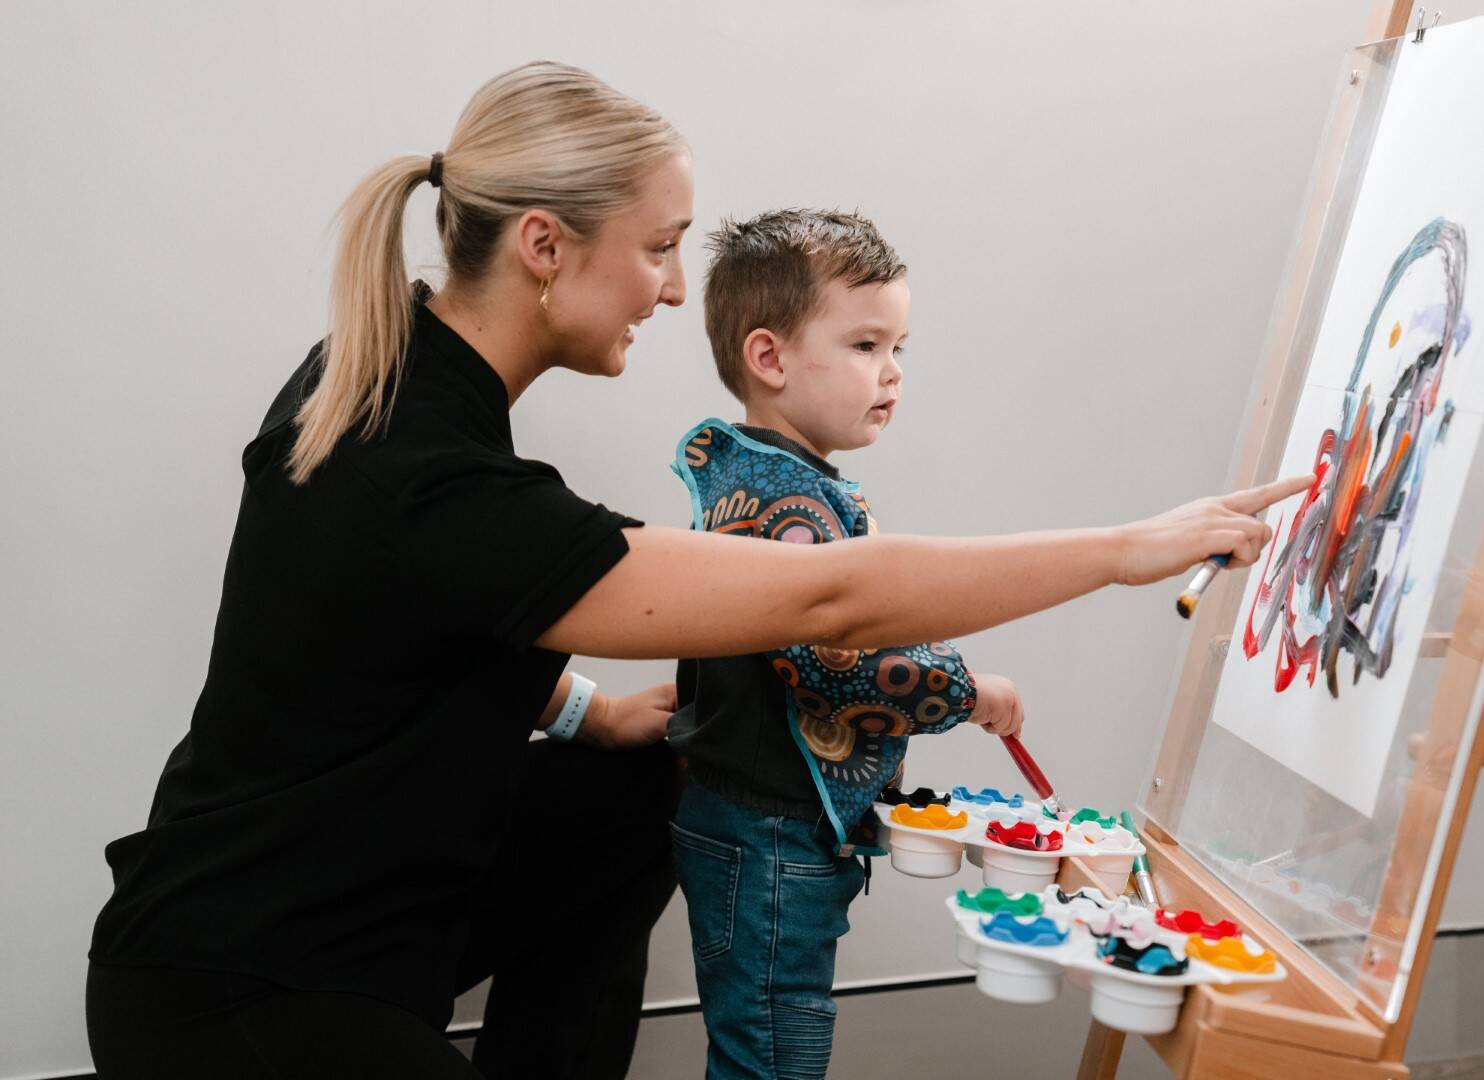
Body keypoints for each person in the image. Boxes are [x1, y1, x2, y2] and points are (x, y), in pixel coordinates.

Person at [84, 60, 1306, 1080]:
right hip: (237, 985)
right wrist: (1125, 551)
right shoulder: (432, 480)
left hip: (359, 922)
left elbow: (389, 634)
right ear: (547, 246)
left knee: (635, 788)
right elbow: (832, 594)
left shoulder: (383, 374)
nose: (674, 289)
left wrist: (591, 712)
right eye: (660, 249)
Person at [667, 207, 1029, 1079]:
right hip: (769, 838)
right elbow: (841, 663)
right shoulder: (784, 507)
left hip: (762, 828)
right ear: (770, 358)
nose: (893, 373)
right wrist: (969, 691)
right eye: (867, 346)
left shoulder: (767, 478)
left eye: (900, 348)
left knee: (771, 1038)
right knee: (775, 1054)